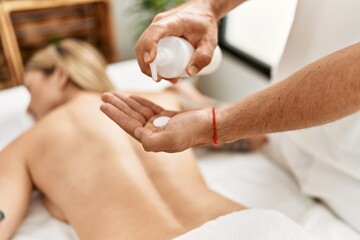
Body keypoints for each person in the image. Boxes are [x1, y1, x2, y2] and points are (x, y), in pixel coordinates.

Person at [101, 0, 360, 235]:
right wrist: (209, 6)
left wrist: (218, 125)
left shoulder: (77, 118)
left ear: (60, 77)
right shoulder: (167, 97)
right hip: (286, 143)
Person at [0, 39, 247, 239]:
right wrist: (192, 98)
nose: (29, 109)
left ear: (60, 75)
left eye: (30, 89)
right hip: (248, 228)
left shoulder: (27, 144)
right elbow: (257, 137)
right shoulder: (166, 102)